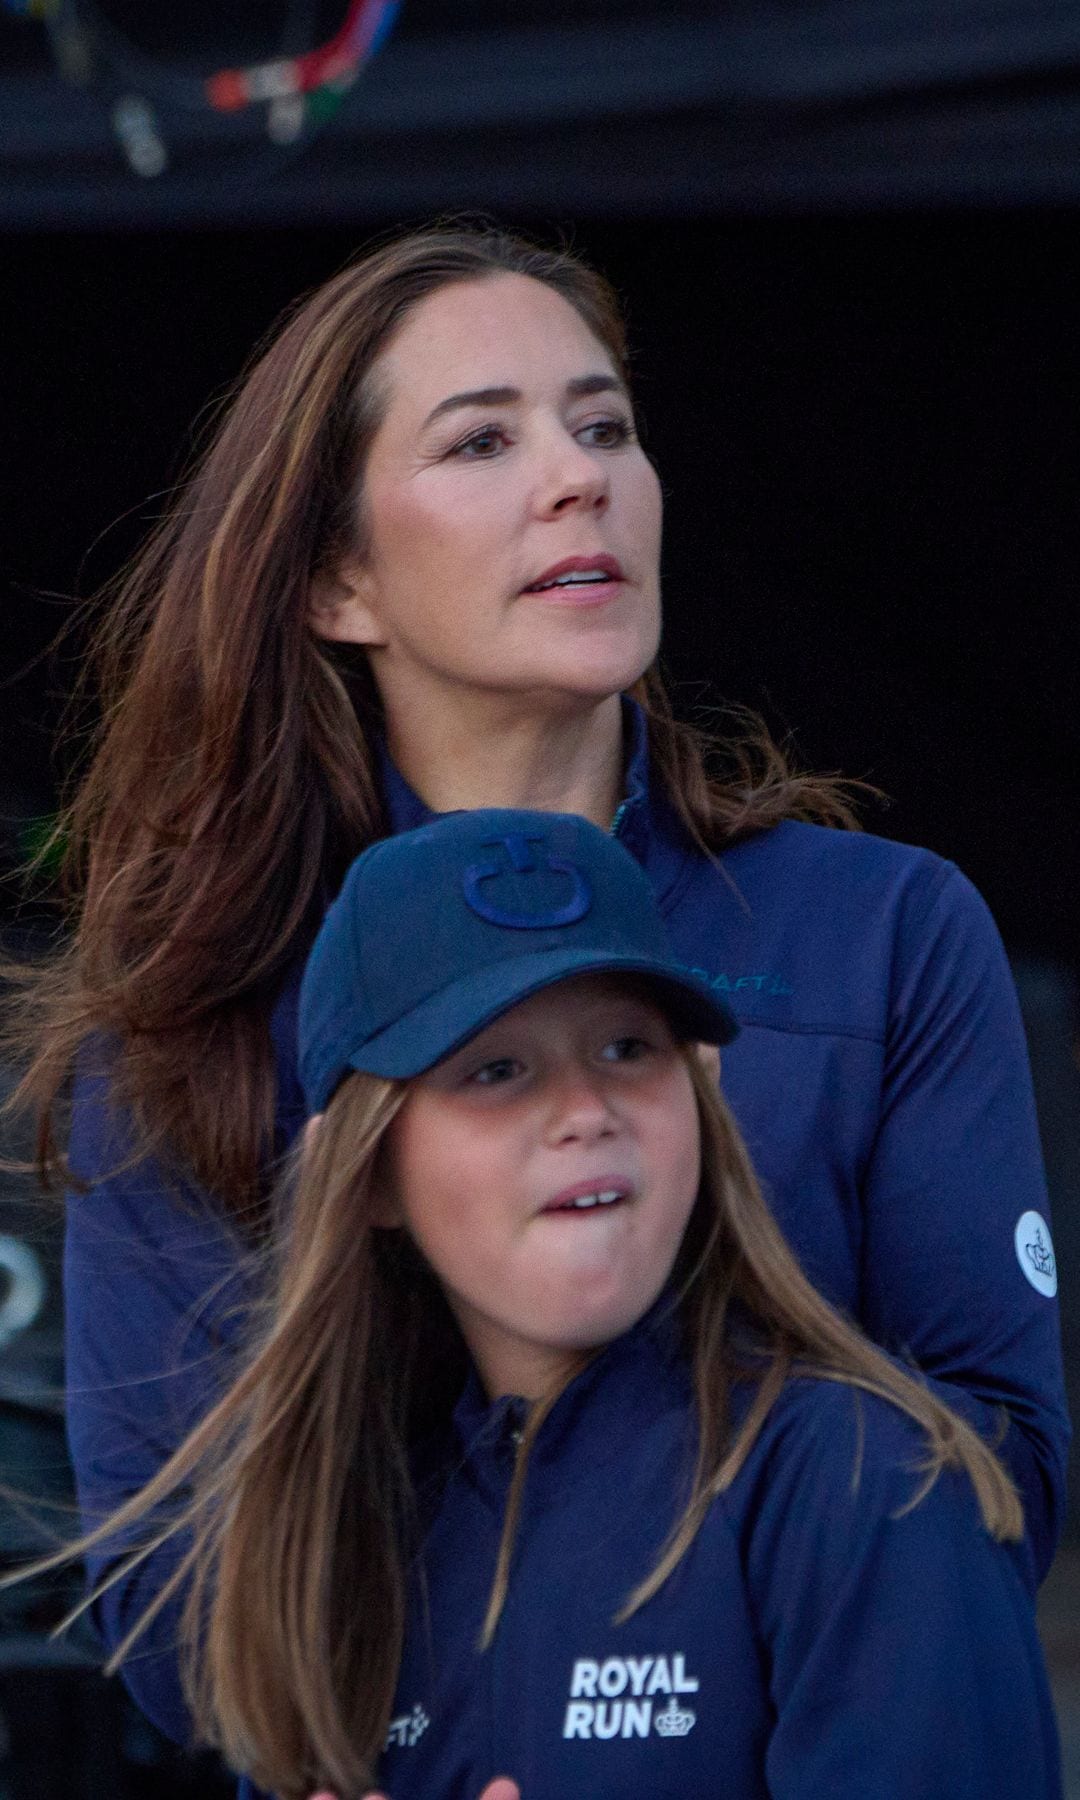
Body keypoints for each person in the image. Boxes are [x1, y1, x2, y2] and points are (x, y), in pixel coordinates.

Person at [6, 222, 1066, 1749]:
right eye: (482, 440)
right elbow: (182, 1617)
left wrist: (631, 1717)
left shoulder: (885, 931)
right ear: (333, 582)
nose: (579, 476)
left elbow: (1001, 1474)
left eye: (605, 425)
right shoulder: (200, 1002)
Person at [35, 808, 1060, 1799]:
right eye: (497, 1069)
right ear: (368, 1177)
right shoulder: (337, 1559)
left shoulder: (873, 1484)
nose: (585, 1111)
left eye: (628, 1048)